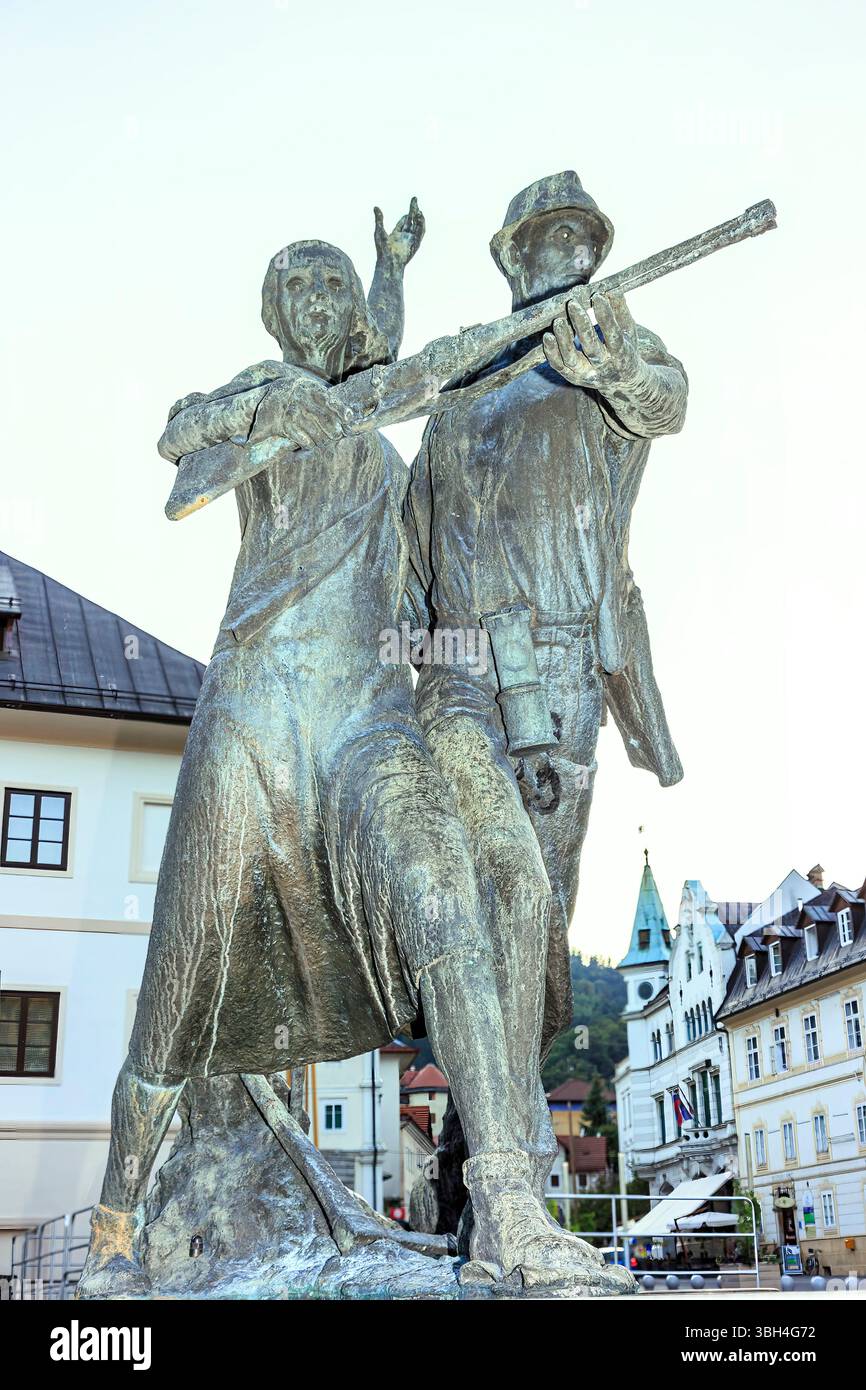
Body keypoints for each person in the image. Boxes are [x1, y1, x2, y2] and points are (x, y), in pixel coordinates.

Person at [76, 208, 632, 1297]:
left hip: (370, 727)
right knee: (175, 987)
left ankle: (509, 1211)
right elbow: (177, 433)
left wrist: (516, 695)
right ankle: (112, 1230)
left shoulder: (390, 461)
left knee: (446, 906)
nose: (329, 309)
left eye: (340, 291)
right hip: (253, 720)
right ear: (283, 321)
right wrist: (258, 401)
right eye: (309, 293)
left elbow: (424, 618)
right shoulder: (273, 412)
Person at [404, 171, 688, 1194]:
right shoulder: (464, 384)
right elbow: (413, 554)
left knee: (535, 896)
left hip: (559, 654)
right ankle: (479, 1119)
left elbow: (665, 397)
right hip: (459, 666)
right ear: (511, 253)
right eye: (547, 236)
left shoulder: (603, 346)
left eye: (581, 238)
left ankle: (498, 1129)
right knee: (472, 889)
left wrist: (611, 367)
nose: (567, 253)